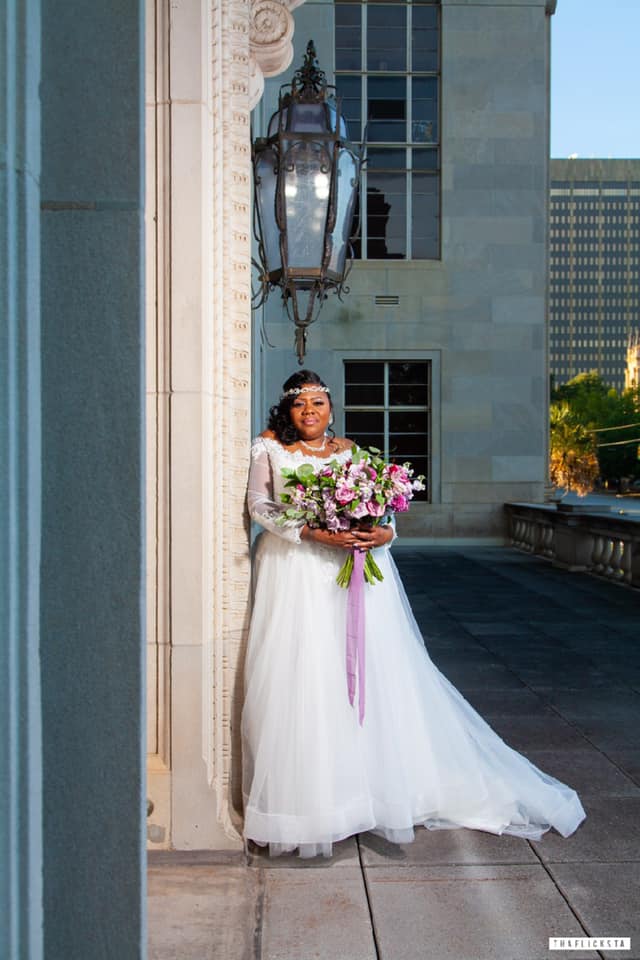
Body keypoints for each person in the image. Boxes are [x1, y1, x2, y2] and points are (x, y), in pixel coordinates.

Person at [241, 370, 586, 859]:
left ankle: (374, 787)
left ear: (331, 408)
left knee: (375, 677)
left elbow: (382, 507)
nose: (310, 411)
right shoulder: (270, 447)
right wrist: (315, 534)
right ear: (288, 410)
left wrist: (384, 534)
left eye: (318, 402)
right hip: (298, 569)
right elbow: (259, 504)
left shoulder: (350, 450)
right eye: (301, 405)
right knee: (306, 676)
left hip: (356, 565)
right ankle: (314, 801)